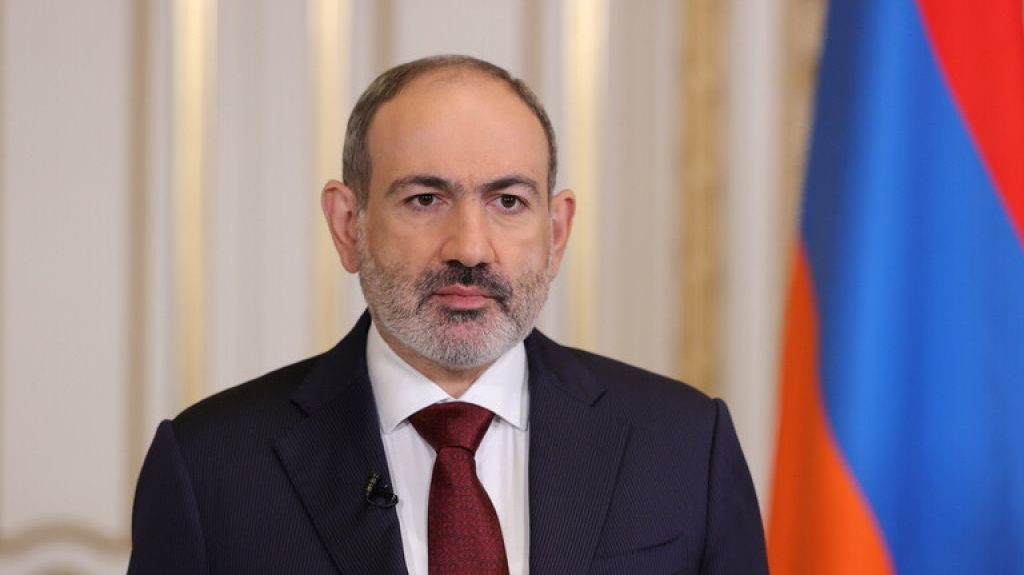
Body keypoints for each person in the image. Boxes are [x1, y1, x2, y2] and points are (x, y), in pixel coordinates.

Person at [128, 54, 768, 575]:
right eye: (425, 199)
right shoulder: (209, 466)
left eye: (508, 201)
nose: (469, 248)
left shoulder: (687, 445)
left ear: (557, 231)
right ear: (349, 225)